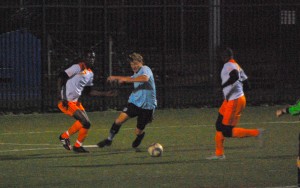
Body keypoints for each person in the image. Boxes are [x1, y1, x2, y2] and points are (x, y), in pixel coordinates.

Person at [206, 47, 265, 160]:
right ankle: (219, 154)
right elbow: (247, 85)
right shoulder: (237, 65)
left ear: (225, 57)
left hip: (234, 101)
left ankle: (257, 132)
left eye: (221, 56)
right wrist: (234, 92)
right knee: (219, 125)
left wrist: (223, 88)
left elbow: (234, 77)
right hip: (230, 100)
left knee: (227, 131)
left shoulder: (229, 65)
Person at [57, 50, 117, 153]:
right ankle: (64, 137)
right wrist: (62, 97)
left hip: (75, 102)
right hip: (67, 101)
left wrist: (105, 94)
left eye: (93, 57)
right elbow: (60, 78)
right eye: (89, 57)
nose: (91, 59)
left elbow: (89, 92)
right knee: (85, 122)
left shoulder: (90, 73)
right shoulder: (77, 67)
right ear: (84, 58)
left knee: (87, 124)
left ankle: (77, 146)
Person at [97, 52, 157, 149]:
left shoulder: (145, 69)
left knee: (138, 131)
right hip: (134, 103)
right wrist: (115, 77)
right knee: (118, 121)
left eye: (136, 64)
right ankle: (109, 139)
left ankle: (140, 136)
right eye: (132, 64)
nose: (133, 66)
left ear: (141, 62)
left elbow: (145, 78)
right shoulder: (136, 73)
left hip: (147, 106)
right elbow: (130, 78)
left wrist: (126, 80)